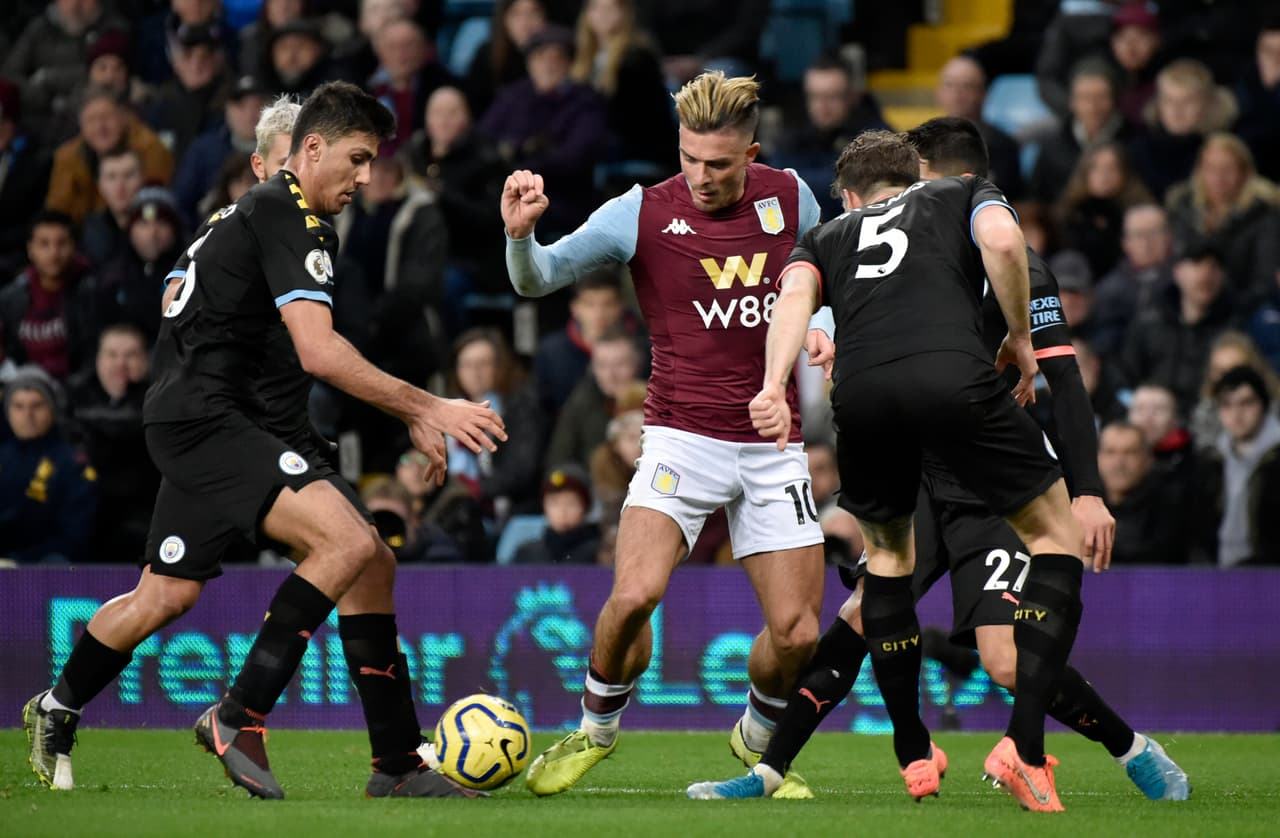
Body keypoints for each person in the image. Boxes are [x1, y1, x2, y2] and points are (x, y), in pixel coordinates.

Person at [22, 83, 505, 800]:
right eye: (358, 159)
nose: (366, 178)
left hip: (223, 426)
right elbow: (315, 350)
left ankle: (56, 707)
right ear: (300, 155)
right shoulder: (288, 211)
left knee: (179, 593)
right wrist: (425, 405)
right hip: (212, 424)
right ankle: (238, 713)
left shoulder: (242, 219)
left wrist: (398, 415)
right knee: (344, 544)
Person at [690, 116, 1185, 807]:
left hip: (983, 480)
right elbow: (847, 296)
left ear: (937, 177)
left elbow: (1062, 380)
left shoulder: (1006, 256)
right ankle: (769, 769)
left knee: (1006, 659)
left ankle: (1130, 749)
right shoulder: (914, 229)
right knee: (867, 612)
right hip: (918, 463)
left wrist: (1088, 491)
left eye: (912, 176)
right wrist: (826, 343)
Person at [502, 71, 827, 798]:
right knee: (635, 595)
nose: (702, 176)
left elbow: (820, 285)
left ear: (752, 151)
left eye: (719, 162)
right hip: (681, 436)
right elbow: (537, 280)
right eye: (689, 158)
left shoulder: (793, 197)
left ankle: (757, 735)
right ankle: (595, 730)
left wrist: (824, 337)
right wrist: (520, 238)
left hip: (773, 442)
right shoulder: (640, 212)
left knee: (800, 633)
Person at [0, 365, 97, 563]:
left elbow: (75, 538)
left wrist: (19, 562)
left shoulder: (73, 464)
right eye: (18, 406)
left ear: (53, 409)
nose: (27, 415)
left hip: (48, 570)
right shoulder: (3, 457)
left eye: (37, 405)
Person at [1202, 365, 1280, 566]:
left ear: (1264, 405)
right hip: (1213, 574)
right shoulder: (1210, 461)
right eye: (1227, 405)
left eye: (1246, 403)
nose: (1236, 413)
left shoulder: (1275, 460)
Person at [513, 464, 602, 564]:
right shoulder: (527, 554)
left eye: (571, 503)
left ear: (585, 507)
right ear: (544, 506)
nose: (562, 511)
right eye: (554, 503)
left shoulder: (600, 555)